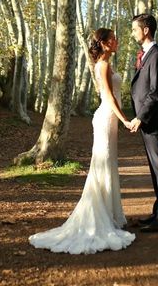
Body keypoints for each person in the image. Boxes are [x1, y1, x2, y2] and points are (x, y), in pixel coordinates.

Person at [28, 28, 135, 254]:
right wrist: (125, 120)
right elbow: (108, 98)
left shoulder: (106, 63)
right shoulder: (103, 65)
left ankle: (109, 215)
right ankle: (99, 218)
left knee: (108, 165)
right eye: (113, 39)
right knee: (102, 164)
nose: (117, 41)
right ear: (104, 43)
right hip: (106, 118)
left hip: (109, 119)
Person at [127, 13, 158, 233]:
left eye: (135, 29)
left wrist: (140, 117)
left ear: (146, 30)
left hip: (153, 122)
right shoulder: (147, 55)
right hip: (148, 122)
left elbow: (155, 93)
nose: (133, 32)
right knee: (156, 171)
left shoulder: (156, 55)